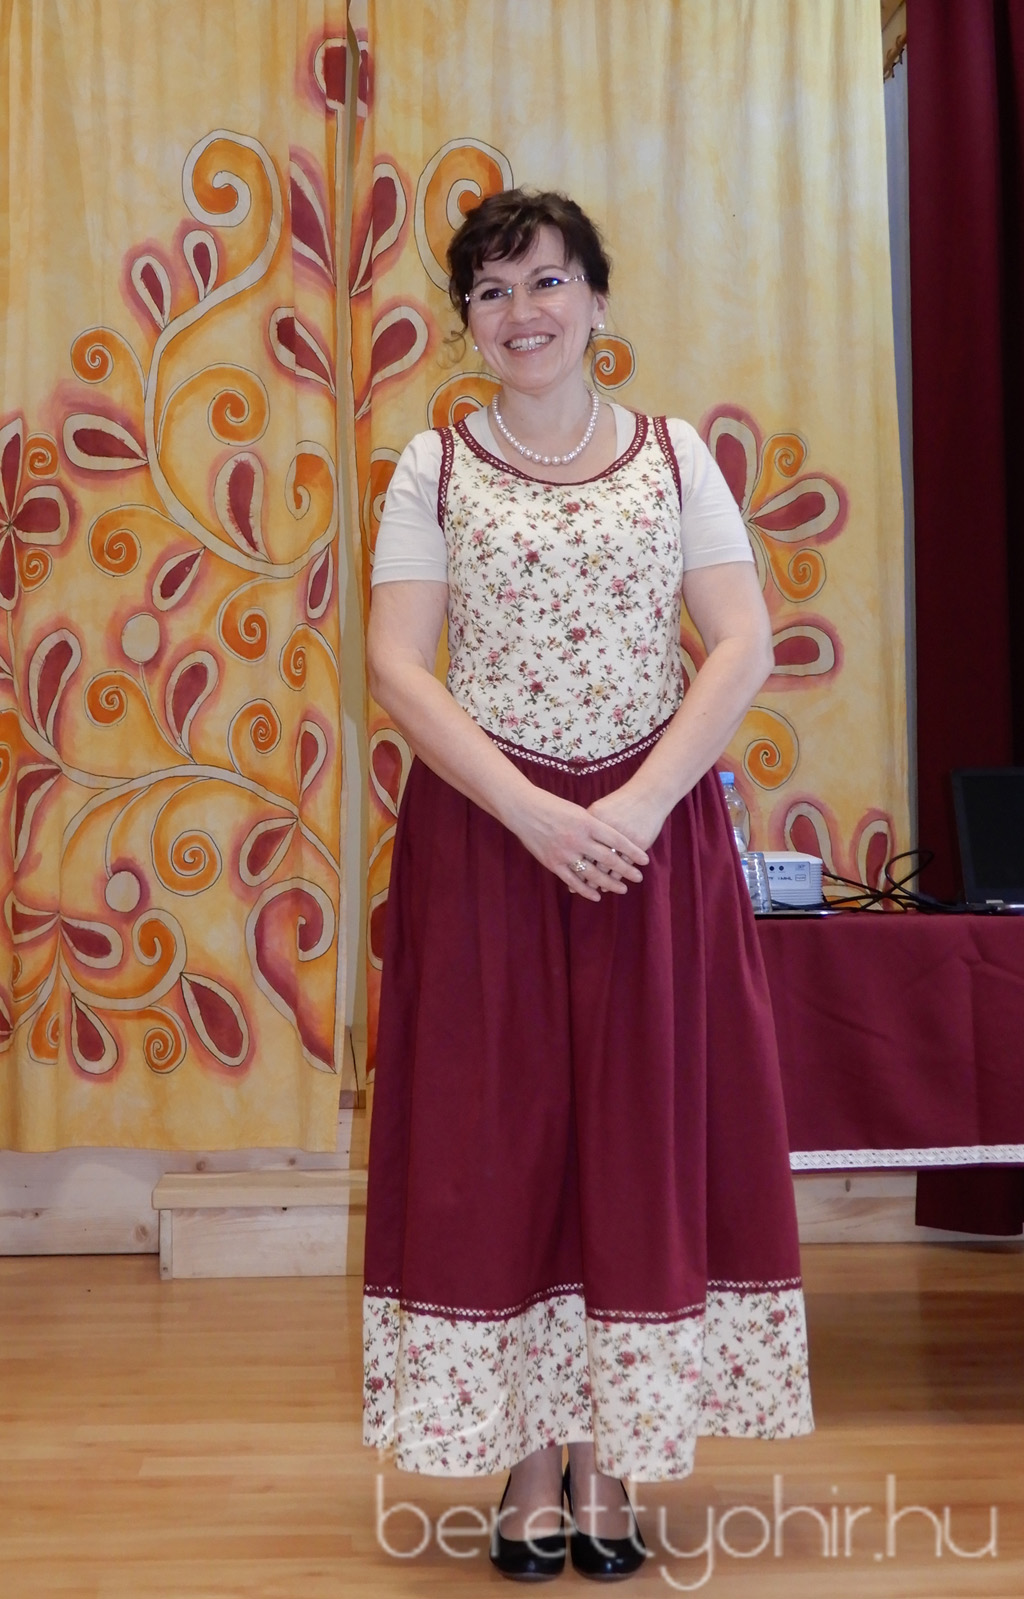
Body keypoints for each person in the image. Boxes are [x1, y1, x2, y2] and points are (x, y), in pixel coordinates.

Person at [362, 188, 813, 1583]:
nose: (525, 313)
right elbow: (397, 665)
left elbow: (739, 643)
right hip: (486, 848)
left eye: (549, 282)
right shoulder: (432, 470)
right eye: (493, 292)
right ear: (468, 320)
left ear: (597, 300)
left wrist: (632, 806)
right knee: (498, 1140)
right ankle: (527, 1464)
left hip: (649, 844)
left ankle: (613, 1459)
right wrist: (529, 814)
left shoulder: (677, 458)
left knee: (637, 1136)